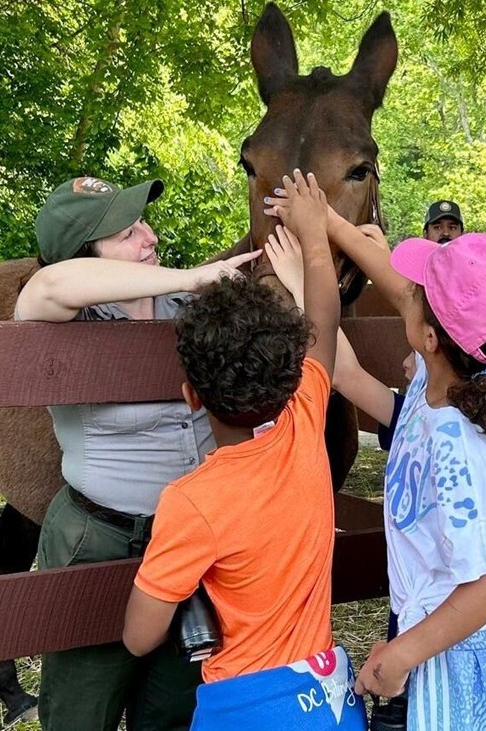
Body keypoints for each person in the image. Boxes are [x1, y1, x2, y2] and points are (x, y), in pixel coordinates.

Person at [289, 199, 486, 728]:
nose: (404, 297)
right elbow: (394, 301)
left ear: (432, 337)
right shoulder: (456, 379)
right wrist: (326, 228)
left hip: (455, 660)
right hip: (427, 626)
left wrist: (401, 655)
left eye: (417, 298)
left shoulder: (463, 440)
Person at [122, 170, 365, 730]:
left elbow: (140, 637)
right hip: (328, 699)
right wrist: (312, 239)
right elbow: (324, 323)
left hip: (245, 707)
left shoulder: (192, 502)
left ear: (190, 397)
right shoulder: (305, 420)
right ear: (290, 377)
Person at [13, 176, 258, 731]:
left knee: (176, 705)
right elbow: (49, 285)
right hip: (101, 537)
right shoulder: (63, 314)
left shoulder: (185, 307)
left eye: (144, 223)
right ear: (86, 253)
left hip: (190, 537)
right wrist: (193, 275)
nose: (149, 236)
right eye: (127, 232)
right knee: (83, 706)